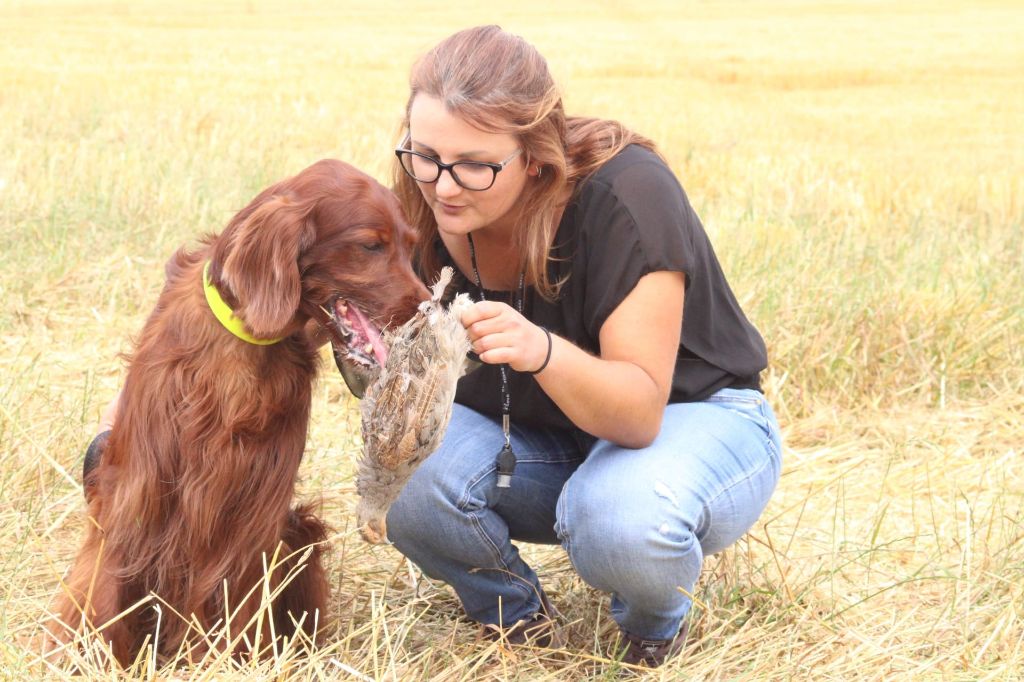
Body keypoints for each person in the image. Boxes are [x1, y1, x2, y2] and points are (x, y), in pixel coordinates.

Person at [384, 25, 783, 668]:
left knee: (619, 520)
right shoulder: (422, 186)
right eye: (425, 155)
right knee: (405, 468)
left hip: (688, 420)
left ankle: (653, 626)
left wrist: (540, 348)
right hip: (539, 434)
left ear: (535, 157)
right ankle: (515, 620)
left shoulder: (626, 194)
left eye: (476, 166)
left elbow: (637, 412)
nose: (445, 186)